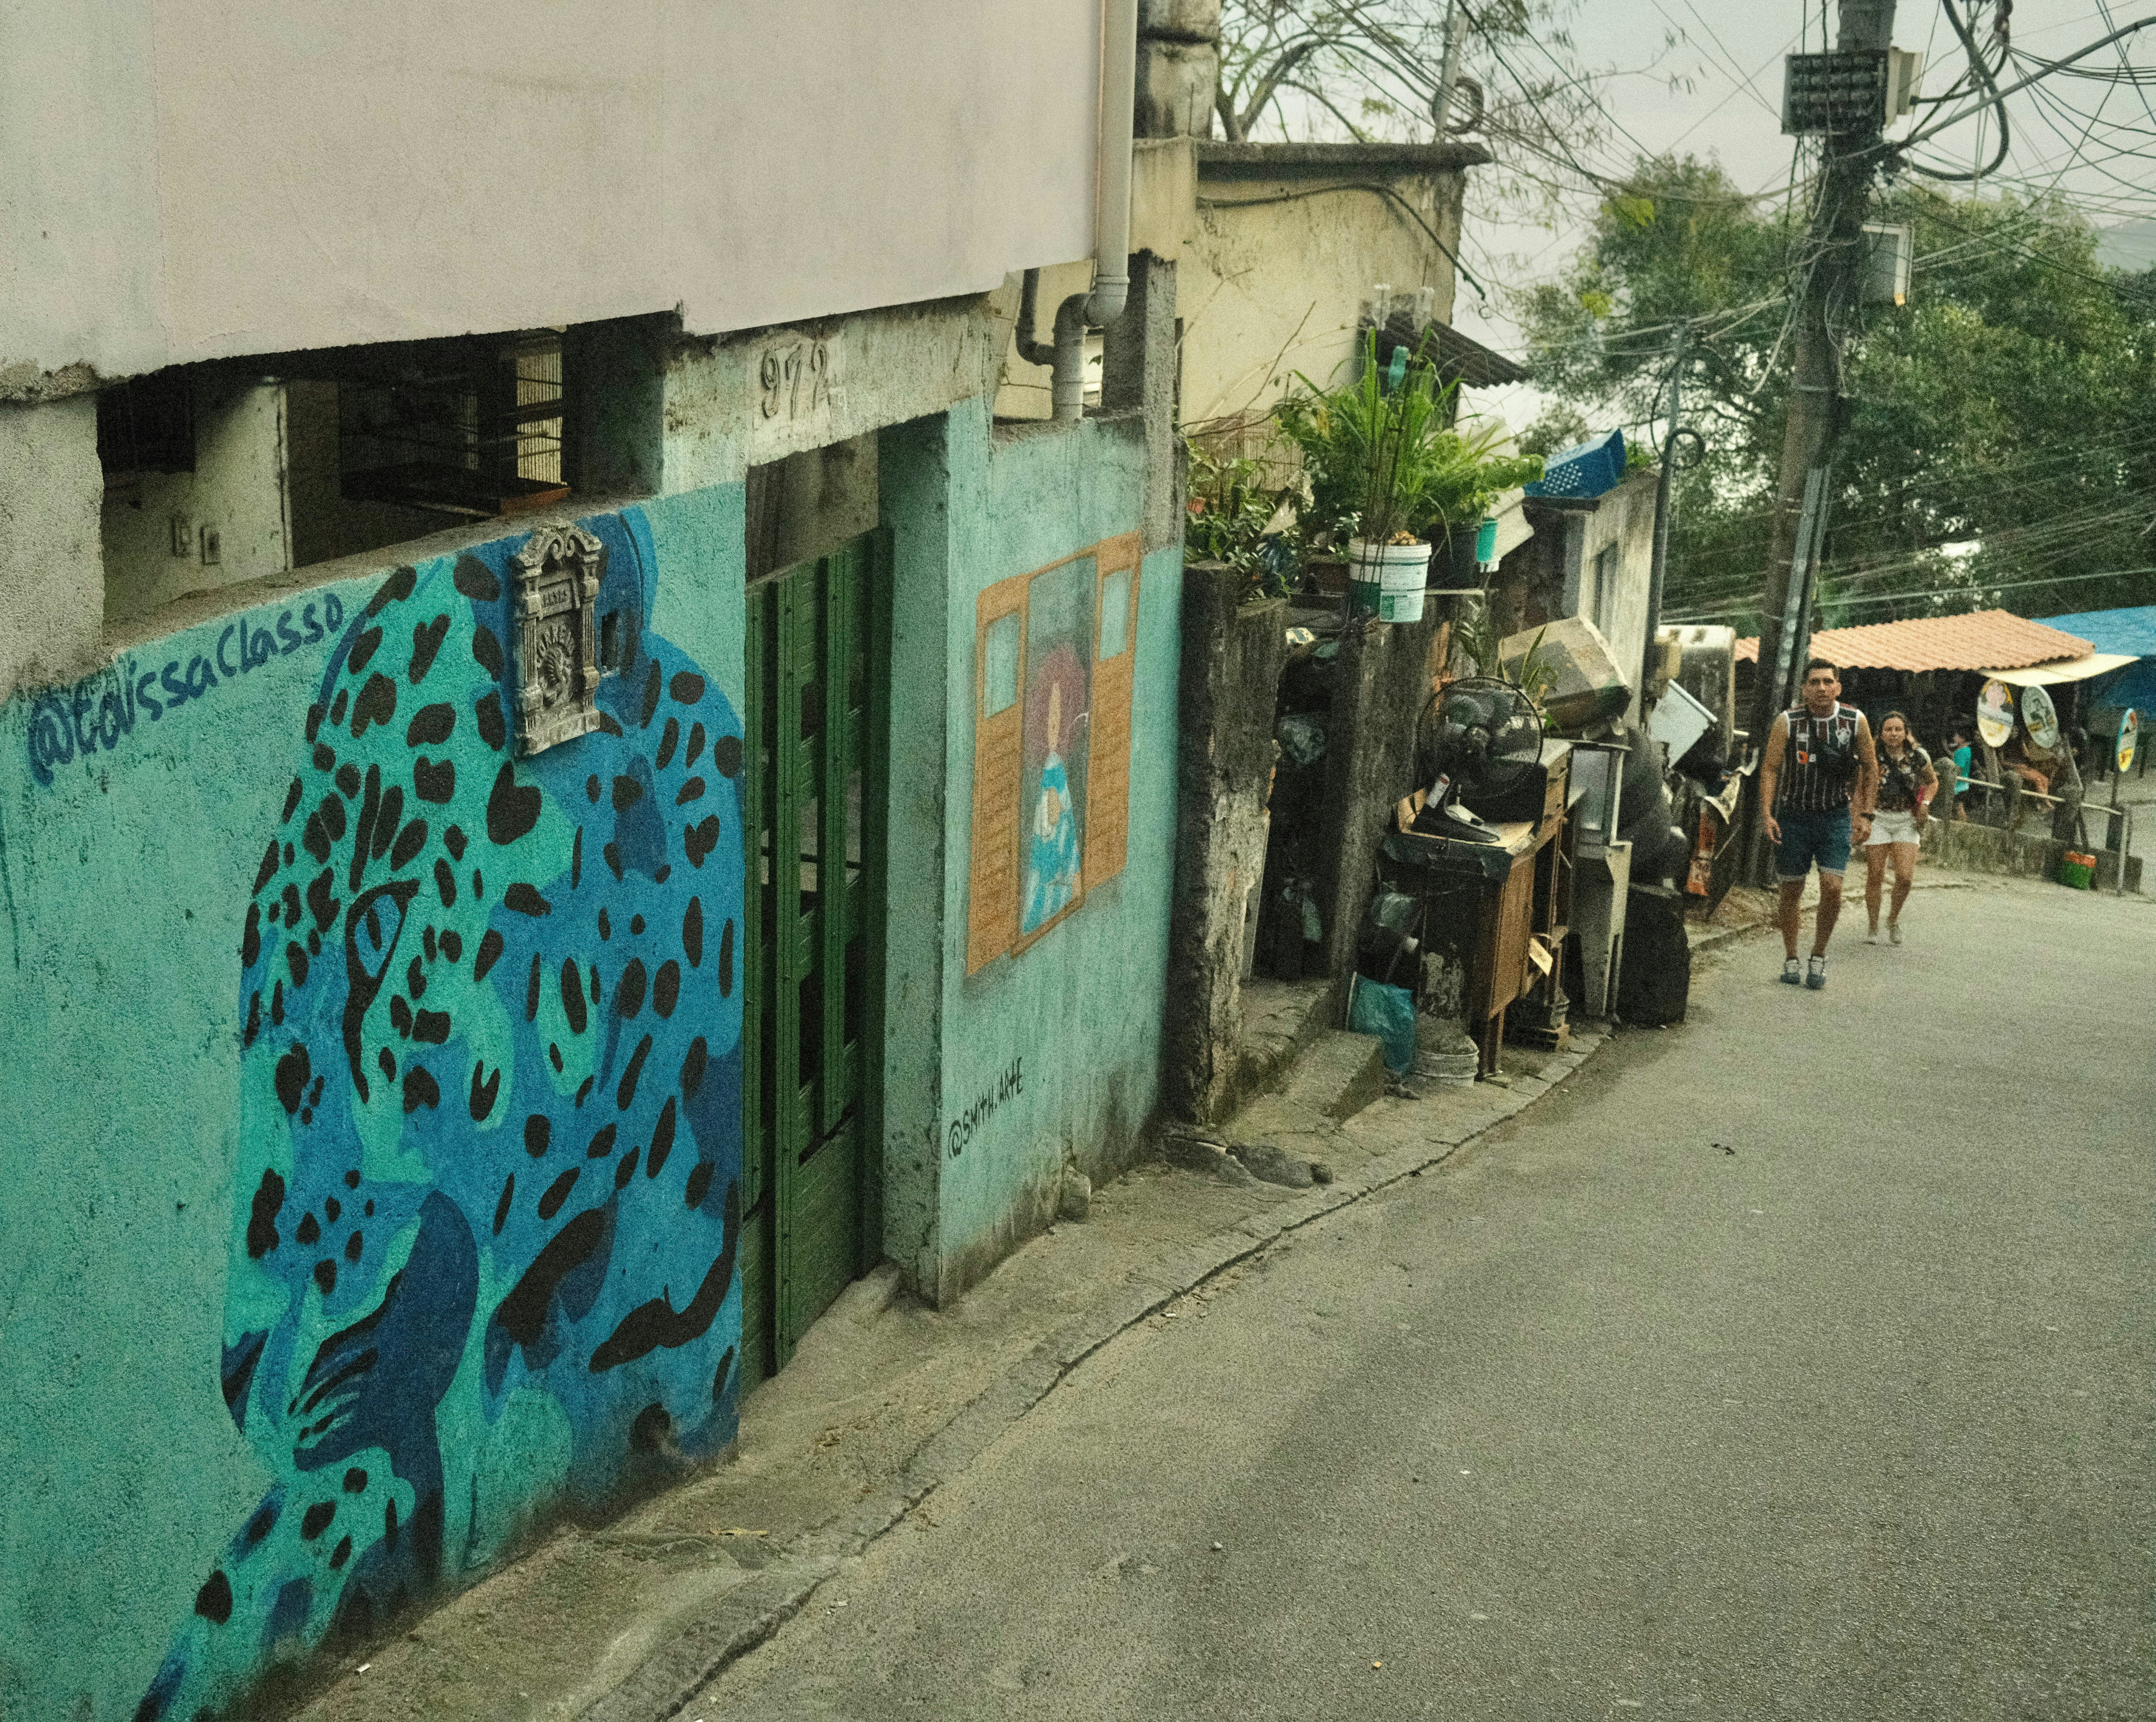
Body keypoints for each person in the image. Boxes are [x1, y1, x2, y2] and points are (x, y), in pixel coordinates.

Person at [1757, 658, 1879, 990]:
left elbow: (1870, 767)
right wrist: (1766, 813)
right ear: (1804, 688)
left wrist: (1865, 814)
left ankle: (1819, 954)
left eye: (1828, 682)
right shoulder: (1787, 721)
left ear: (1838, 686)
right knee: (1791, 890)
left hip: (1835, 817)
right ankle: (1791, 957)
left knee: (1833, 889)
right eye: (1814, 682)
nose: (1821, 688)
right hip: (1793, 816)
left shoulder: (1855, 721)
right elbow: (1769, 768)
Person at [1863, 710, 1936, 945]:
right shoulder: (1872, 756)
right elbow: (1860, 784)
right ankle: (1873, 924)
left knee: (1905, 877)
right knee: (1876, 875)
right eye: (1888, 730)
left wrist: (1925, 803)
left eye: (1898, 730)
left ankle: (1893, 919)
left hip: (1907, 819)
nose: (1893, 734)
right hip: (1879, 818)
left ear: (1906, 733)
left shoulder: (1918, 757)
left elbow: (1933, 782)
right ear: (1881, 733)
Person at [1945, 726, 1973, 820]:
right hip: (1965, 783)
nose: (1954, 738)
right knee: (1959, 806)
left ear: (1962, 739)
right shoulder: (1968, 750)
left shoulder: (1961, 752)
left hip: (1959, 785)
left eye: (1956, 736)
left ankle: (1964, 825)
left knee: (1959, 807)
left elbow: (1958, 767)